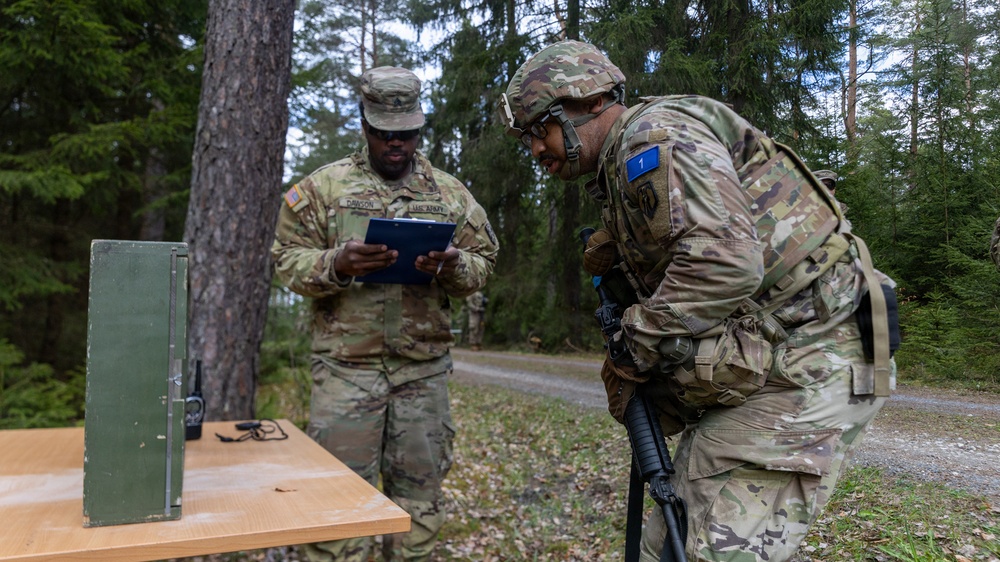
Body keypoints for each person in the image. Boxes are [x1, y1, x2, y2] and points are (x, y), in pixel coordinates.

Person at [499, 40, 897, 562]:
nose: (535, 149)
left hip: (811, 355)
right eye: (526, 137)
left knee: (700, 549)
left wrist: (634, 343)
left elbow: (725, 262)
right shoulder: (627, 160)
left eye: (540, 129)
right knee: (672, 541)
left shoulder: (653, 139)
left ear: (591, 101)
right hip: (782, 353)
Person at [272, 66, 499, 562]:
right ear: (364, 124)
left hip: (422, 375)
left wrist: (454, 266)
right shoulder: (323, 189)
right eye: (383, 133)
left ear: (420, 128)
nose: (396, 143)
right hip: (345, 374)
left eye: (407, 133)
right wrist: (337, 263)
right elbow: (285, 260)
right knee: (335, 508)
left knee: (418, 508)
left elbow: (484, 262)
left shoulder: (449, 194)